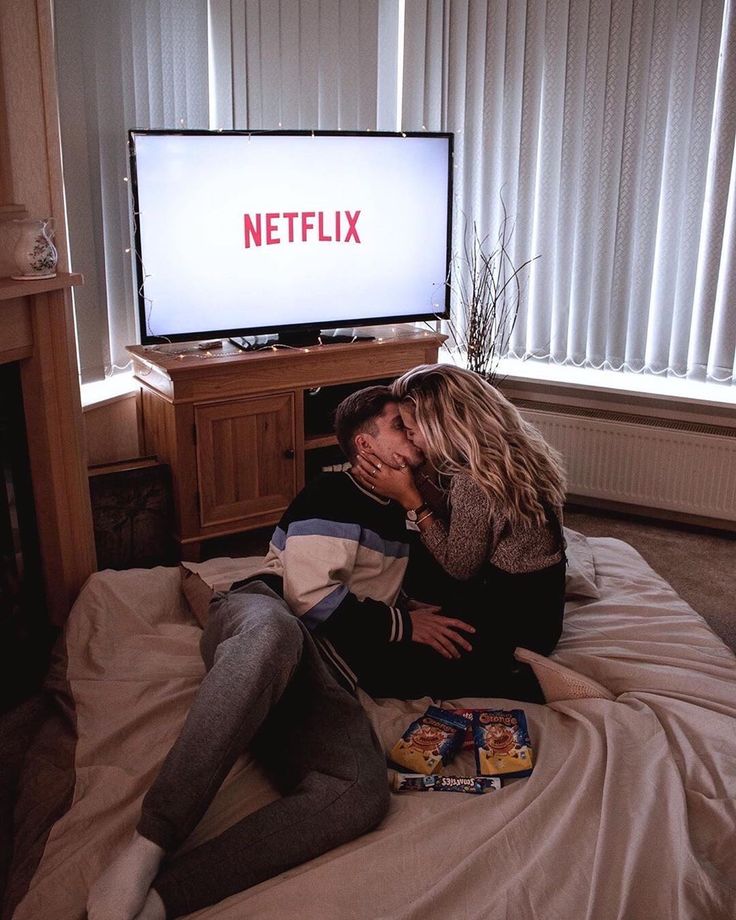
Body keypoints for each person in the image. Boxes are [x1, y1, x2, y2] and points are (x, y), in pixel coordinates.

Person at [86, 385, 476, 920]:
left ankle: (163, 898)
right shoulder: (331, 494)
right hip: (262, 613)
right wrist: (401, 624)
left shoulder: (404, 511)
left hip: (319, 666)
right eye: (400, 426)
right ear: (365, 446)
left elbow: (377, 581)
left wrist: (409, 593)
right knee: (278, 633)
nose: (415, 433)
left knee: (360, 793)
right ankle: (150, 841)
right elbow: (310, 598)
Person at [351, 363, 568, 698]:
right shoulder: (515, 452)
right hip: (546, 600)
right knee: (418, 568)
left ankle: (530, 683)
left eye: (411, 429)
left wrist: (411, 500)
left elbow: (460, 568)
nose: (411, 438)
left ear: (441, 426)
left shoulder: (474, 480)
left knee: (380, 670)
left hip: (518, 617)